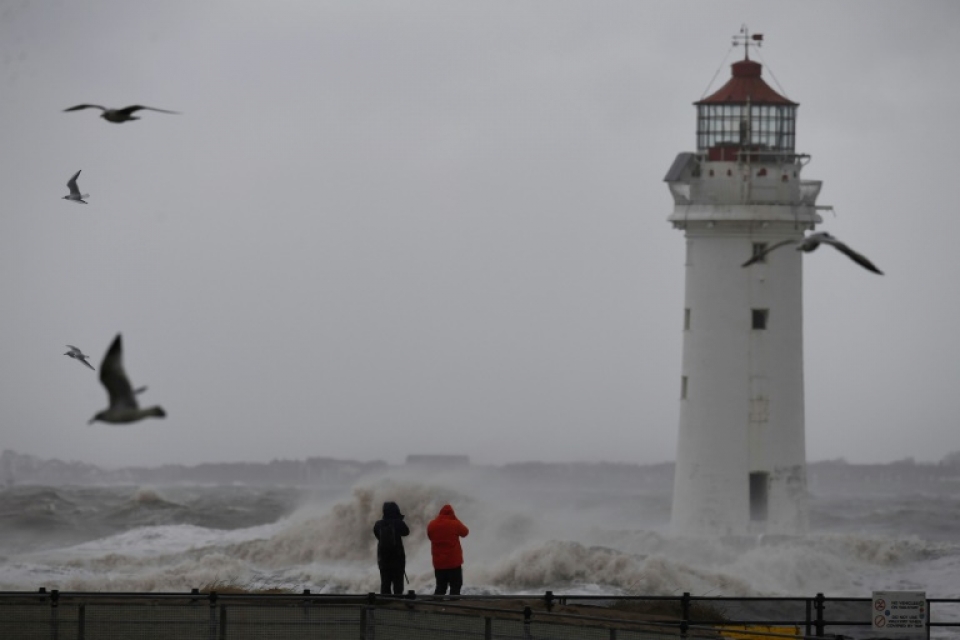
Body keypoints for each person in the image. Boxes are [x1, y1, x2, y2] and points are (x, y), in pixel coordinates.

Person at [426, 503, 469, 596]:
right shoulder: (455, 523)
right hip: (453, 563)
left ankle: (436, 607)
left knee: (440, 587)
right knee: (455, 587)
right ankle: (453, 606)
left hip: (439, 563)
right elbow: (465, 532)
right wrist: (455, 519)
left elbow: (430, 536)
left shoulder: (432, 524)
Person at [372, 501, 410, 595]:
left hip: (383, 559)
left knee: (385, 584)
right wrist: (399, 519)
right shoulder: (398, 523)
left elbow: (377, 535)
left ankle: (384, 605)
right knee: (398, 585)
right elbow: (406, 532)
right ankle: (397, 605)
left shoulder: (378, 524)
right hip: (397, 558)